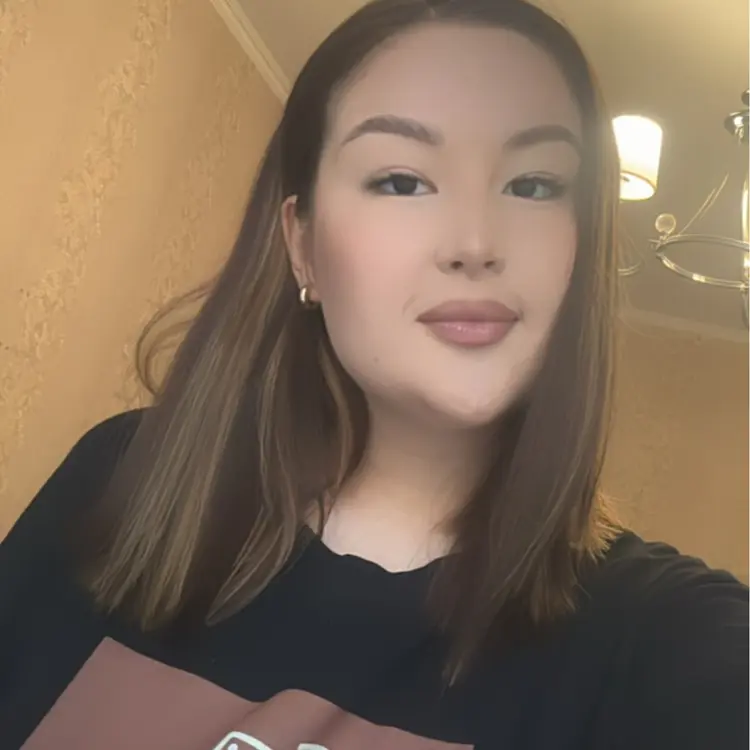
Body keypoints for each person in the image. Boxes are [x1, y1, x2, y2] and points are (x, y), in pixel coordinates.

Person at [0, 0, 747, 747]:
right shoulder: (124, 474)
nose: (476, 243)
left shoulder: (656, 636)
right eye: (401, 181)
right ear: (302, 246)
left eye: (533, 185)